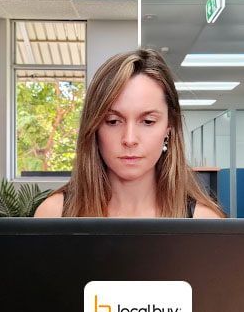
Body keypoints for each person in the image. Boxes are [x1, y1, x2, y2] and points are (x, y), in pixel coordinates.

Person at [34, 49, 225, 218]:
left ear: (169, 127)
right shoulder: (54, 214)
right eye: (113, 121)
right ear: (94, 128)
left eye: (148, 121)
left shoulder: (204, 222)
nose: (129, 139)